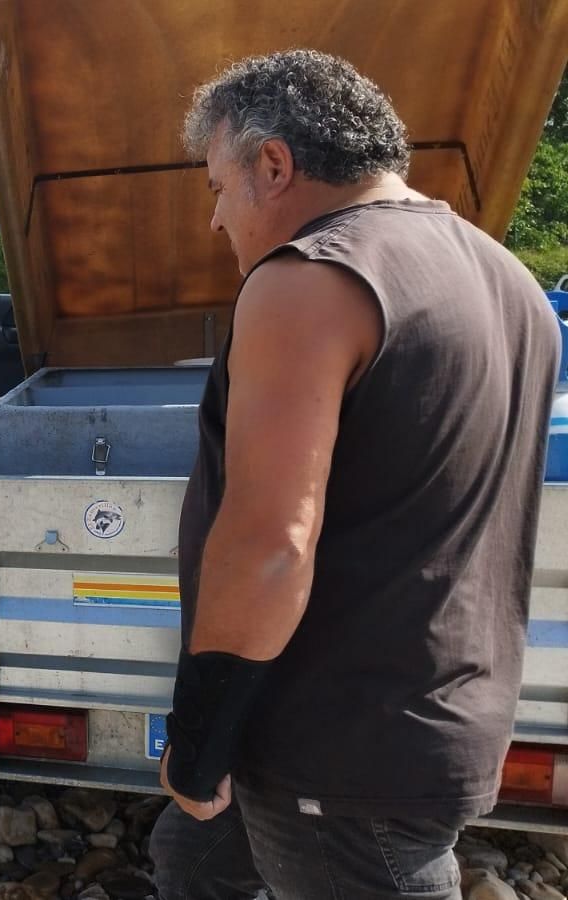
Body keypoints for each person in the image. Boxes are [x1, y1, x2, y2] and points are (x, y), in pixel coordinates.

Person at [147, 51, 558, 900]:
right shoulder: (509, 280)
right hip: (428, 711)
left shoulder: (308, 279)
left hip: (335, 750)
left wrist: (197, 737)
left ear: (274, 165)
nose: (216, 222)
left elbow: (269, 546)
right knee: (190, 864)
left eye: (218, 188)